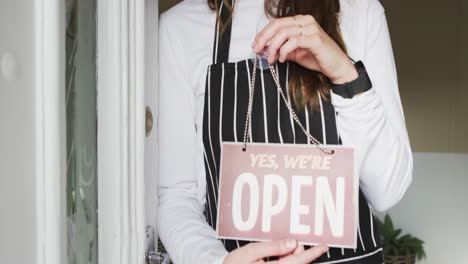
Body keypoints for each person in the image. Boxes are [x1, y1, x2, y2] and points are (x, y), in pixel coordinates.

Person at [158, 0, 413, 263]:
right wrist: (216, 261)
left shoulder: (359, 12)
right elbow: (176, 197)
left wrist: (344, 73)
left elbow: (387, 190)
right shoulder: (179, 28)